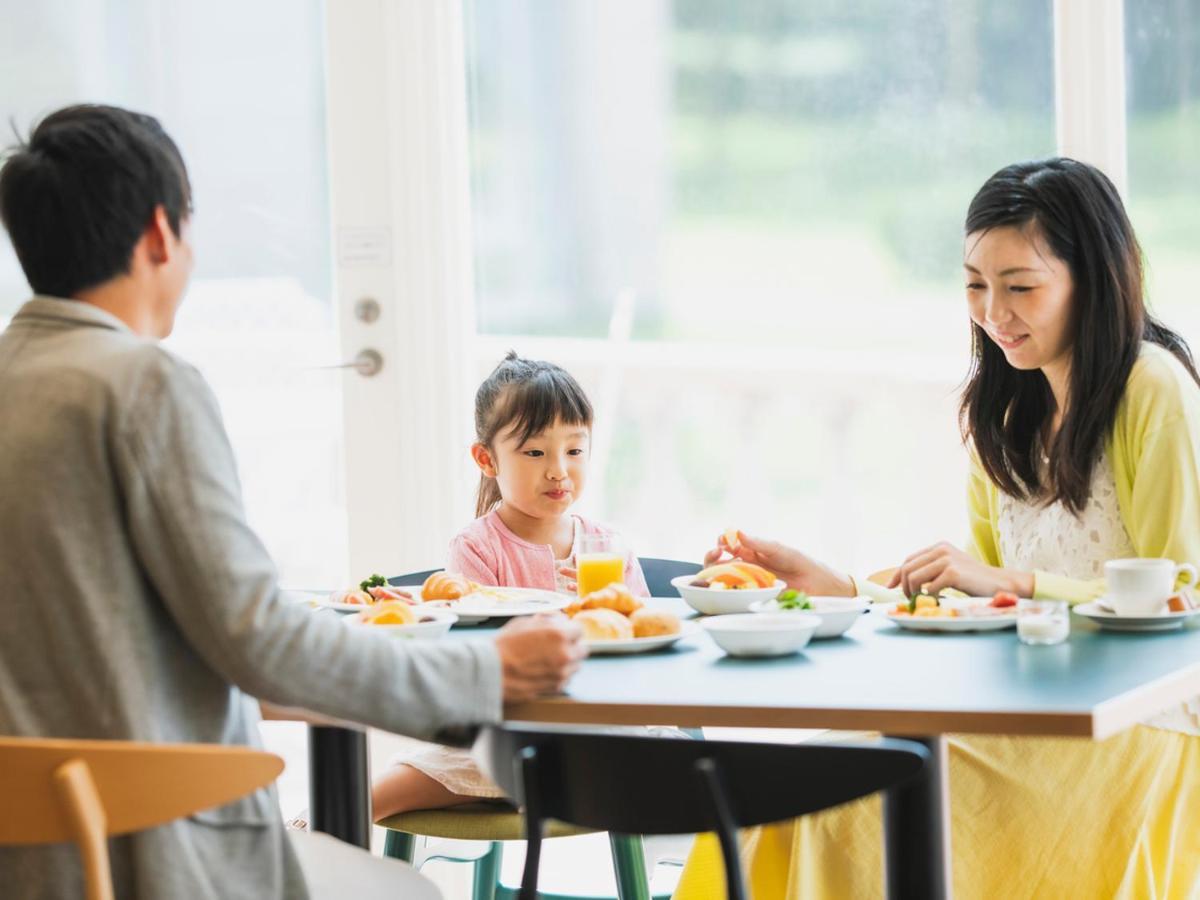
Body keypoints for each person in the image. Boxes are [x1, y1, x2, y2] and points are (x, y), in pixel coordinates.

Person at [0, 104, 584, 900]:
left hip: (27, 862)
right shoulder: (142, 387)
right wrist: (483, 668)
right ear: (160, 235)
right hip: (154, 861)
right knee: (411, 893)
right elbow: (259, 640)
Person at [674, 157, 1200, 898]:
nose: (994, 313)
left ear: (1095, 278)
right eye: (975, 286)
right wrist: (843, 590)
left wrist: (1017, 582)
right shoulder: (1004, 412)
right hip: (1020, 712)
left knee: (837, 808)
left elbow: (1181, 599)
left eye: (1021, 286)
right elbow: (979, 613)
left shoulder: (1154, 388)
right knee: (789, 790)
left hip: (1136, 728)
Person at [373, 352, 648, 816]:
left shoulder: (606, 545)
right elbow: (477, 657)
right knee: (444, 763)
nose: (559, 469)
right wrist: (427, 613)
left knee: (662, 751)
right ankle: (314, 826)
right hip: (509, 729)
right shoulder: (478, 547)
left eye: (574, 450)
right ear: (486, 459)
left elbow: (645, 637)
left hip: (597, 722)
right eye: (536, 452)